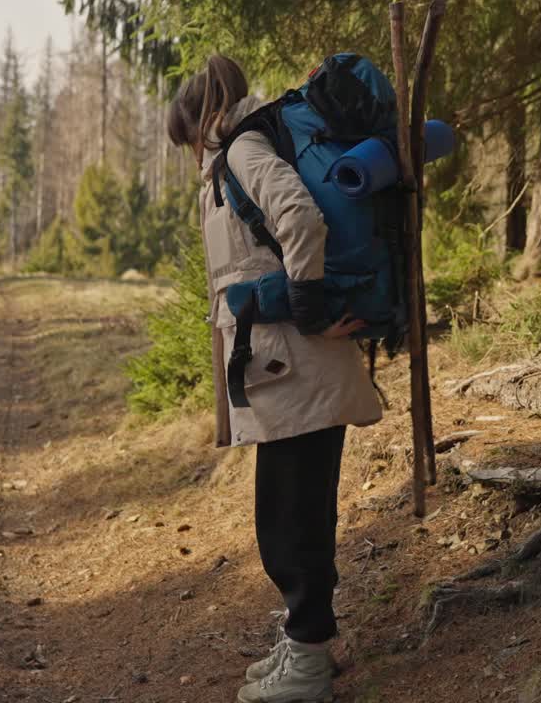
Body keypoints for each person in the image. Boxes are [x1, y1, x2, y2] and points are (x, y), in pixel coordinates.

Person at [166, 54, 384, 703]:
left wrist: (312, 309)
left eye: (187, 137)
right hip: (281, 369)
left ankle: (309, 660)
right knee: (292, 512)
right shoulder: (236, 154)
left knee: (291, 520)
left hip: (297, 366)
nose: (189, 151)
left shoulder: (245, 149)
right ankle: (303, 643)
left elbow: (300, 217)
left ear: (205, 118)